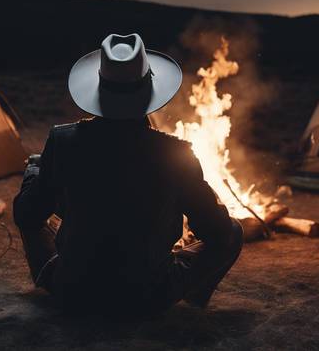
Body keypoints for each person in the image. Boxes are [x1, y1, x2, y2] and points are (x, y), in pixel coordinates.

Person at [13, 33, 243, 314]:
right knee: (233, 229)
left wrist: (34, 171)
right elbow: (217, 231)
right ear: (149, 92)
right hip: (147, 297)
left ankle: (64, 281)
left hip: (72, 291)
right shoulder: (176, 153)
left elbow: (27, 215)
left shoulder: (64, 142)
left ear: (99, 89)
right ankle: (191, 301)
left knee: (32, 216)